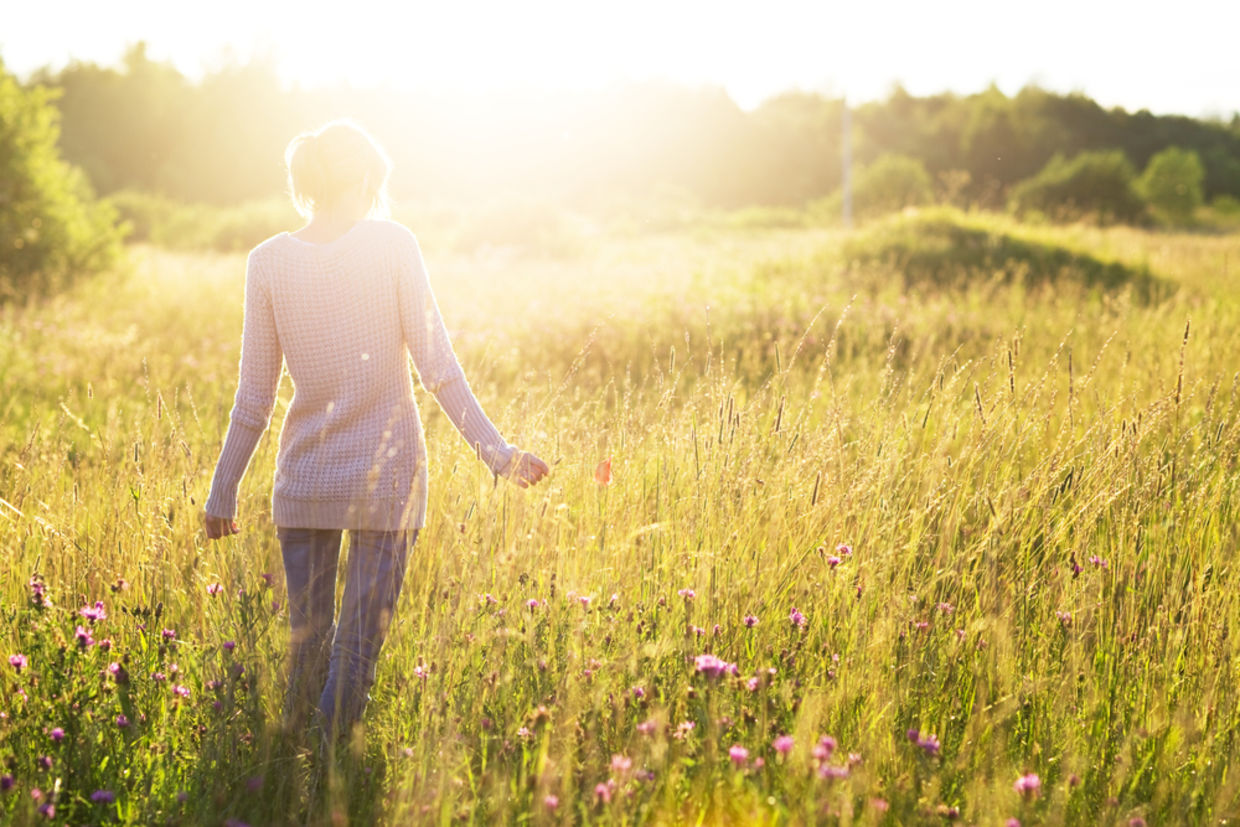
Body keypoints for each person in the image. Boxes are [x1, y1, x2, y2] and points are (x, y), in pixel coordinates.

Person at [202, 119, 549, 745]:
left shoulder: (268, 261)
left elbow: (254, 397)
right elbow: (438, 368)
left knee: (307, 655)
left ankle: (290, 783)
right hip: (388, 484)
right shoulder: (393, 246)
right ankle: (327, 778)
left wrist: (222, 490)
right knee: (355, 653)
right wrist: (497, 454)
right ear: (365, 178)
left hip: (303, 481)